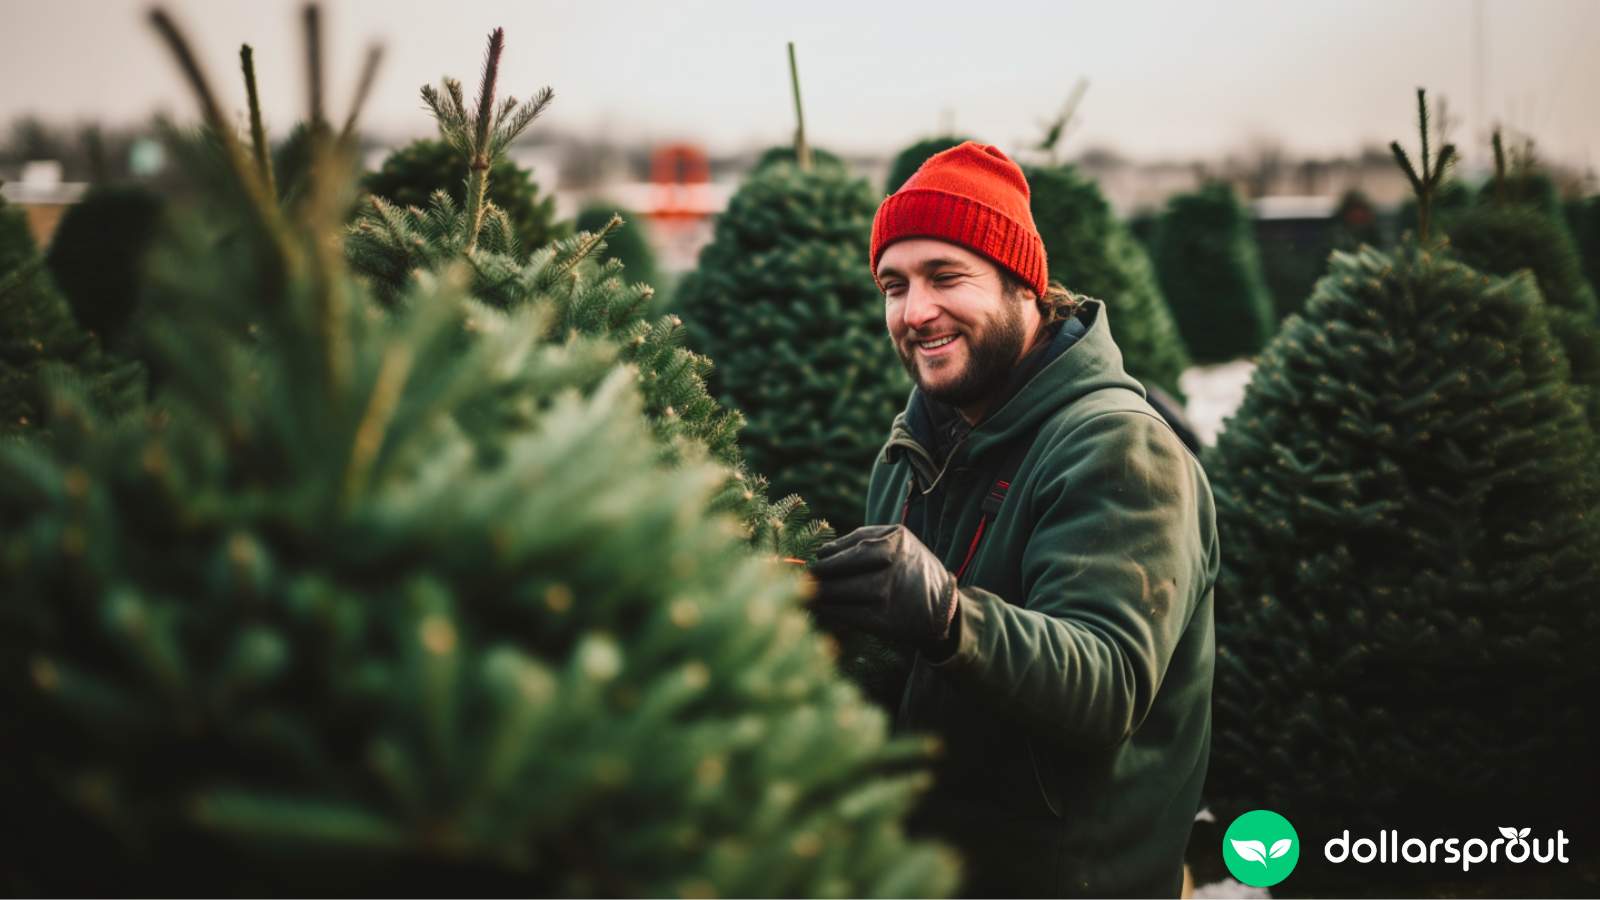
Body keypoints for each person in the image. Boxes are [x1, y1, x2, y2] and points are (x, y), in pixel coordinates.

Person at [807, 142, 1219, 898]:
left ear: (1024, 287)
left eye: (946, 276)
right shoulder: (910, 452)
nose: (915, 310)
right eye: (893, 285)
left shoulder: (1118, 447)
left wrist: (947, 616)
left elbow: (1109, 682)